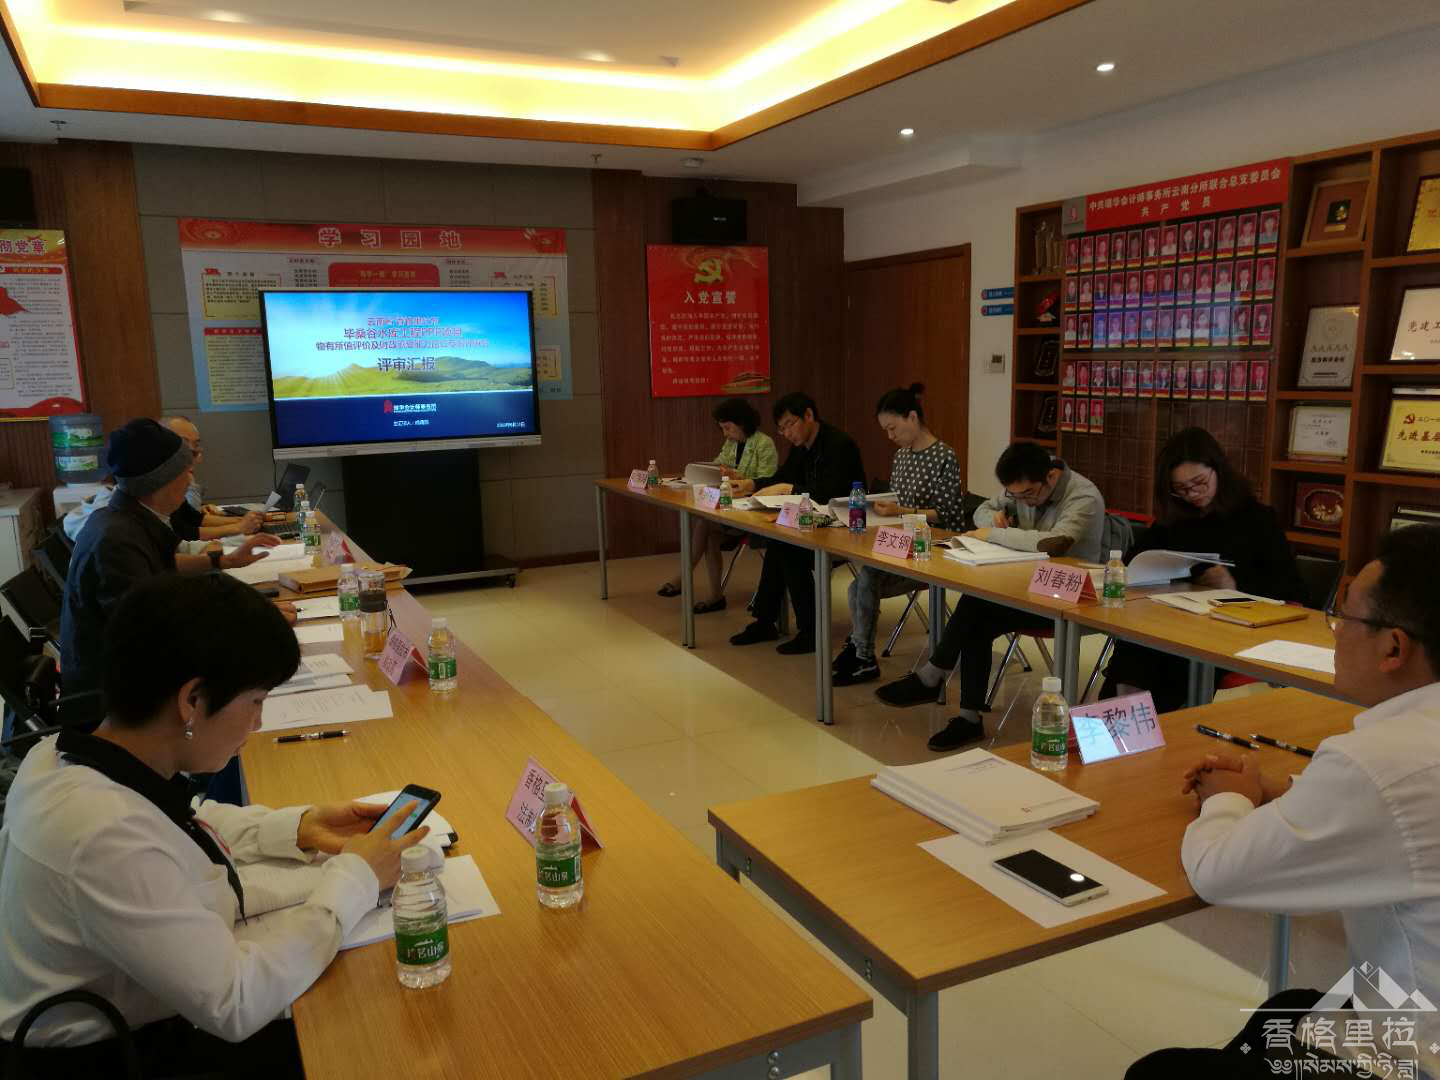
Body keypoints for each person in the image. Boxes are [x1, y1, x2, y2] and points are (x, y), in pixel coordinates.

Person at [0, 574, 428, 1078]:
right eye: (255, 702)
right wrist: (357, 879)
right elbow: (236, 1001)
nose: (259, 723)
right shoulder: (100, 834)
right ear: (192, 701)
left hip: (142, 1014)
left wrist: (300, 826)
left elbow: (180, 821)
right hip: (113, 1058)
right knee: (380, 1025)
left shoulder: (64, 755)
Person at [1127, 526, 1440, 1079]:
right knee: (1284, 1009)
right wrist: (1284, 792)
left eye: (1345, 618)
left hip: (1410, 1053)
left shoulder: (1377, 760)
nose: (1335, 632)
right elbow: (1399, 817)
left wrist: (1227, 800)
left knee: (1160, 1072)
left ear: (1393, 647)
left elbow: (1218, 874)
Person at [874, 442, 1104, 750]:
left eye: (1028, 495)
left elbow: (1054, 542)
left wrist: (994, 533)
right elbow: (981, 510)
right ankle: (966, 716)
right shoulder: (1022, 484)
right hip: (1025, 588)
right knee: (976, 611)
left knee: (976, 609)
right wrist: (993, 519)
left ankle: (935, 677)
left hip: (1069, 599)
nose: (1022, 502)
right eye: (1014, 495)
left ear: (1051, 477)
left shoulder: (1083, 496)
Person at [61, 419, 282, 711]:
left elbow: (163, 570)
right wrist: (250, 625)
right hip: (118, 703)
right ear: (160, 482)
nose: (190, 481)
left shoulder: (127, 520)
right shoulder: (116, 541)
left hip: (133, 680)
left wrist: (225, 561)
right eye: (185, 473)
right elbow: (156, 631)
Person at [1101, 428, 1305, 712]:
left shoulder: (1257, 519)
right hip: (1176, 619)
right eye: (1181, 489)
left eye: (1199, 483)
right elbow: (1135, 560)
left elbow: (1291, 589)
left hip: (1231, 627)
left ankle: (1142, 723)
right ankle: (1119, 722)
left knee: (1161, 656)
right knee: (1135, 643)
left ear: (1218, 470)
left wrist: (1234, 585)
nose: (1192, 494)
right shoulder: (1176, 519)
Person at [833, 384, 966, 686]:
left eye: (893, 428)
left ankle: (862, 655)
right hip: (902, 543)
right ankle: (860, 652)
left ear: (912, 417)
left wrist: (901, 511)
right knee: (857, 586)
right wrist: (883, 510)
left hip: (934, 548)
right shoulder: (902, 456)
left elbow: (948, 515)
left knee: (866, 579)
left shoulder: (944, 456)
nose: (890, 436)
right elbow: (896, 504)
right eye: (886, 430)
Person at [729, 392, 863, 654]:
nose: (787, 433)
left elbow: (831, 492)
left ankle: (811, 631)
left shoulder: (839, 445)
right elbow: (783, 477)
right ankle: (765, 621)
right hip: (814, 522)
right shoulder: (802, 447)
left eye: (790, 424)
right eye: (782, 429)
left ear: (809, 415)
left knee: (788, 548)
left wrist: (789, 488)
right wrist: (752, 484)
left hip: (846, 525)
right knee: (780, 542)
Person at [658, 397, 778, 613]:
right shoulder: (731, 443)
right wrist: (715, 472)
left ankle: (685, 578)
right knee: (708, 532)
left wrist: (736, 476)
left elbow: (767, 482)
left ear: (742, 423)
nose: (725, 434)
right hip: (729, 509)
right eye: (722, 428)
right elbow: (716, 465)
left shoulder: (764, 443)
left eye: (727, 428)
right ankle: (714, 596)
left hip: (754, 513)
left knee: (704, 525)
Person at [63, 417, 263, 544]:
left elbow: (183, 538)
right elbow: (183, 533)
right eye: (184, 476)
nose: (190, 483)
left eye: (196, 446)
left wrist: (224, 557)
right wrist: (238, 528)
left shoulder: (136, 512)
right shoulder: (121, 534)